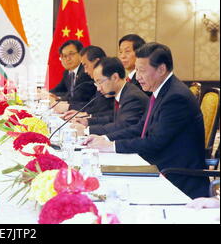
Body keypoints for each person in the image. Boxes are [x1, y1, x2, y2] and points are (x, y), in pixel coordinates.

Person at [84, 43, 209, 199]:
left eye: (142, 71)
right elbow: (140, 127)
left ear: (161, 69)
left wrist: (112, 146)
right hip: (158, 165)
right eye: (136, 70)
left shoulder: (176, 97)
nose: (137, 77)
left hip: (176, 177)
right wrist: (105, 139)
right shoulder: (162, 90)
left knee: (113, 192)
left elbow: (155, 142)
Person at [71, 57, 149, 136]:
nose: (98, 88)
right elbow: (113, 119)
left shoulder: (132, 97)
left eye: (100, 82)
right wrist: (88, 122)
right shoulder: (123, 92)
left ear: (115, 77)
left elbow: (123, 126)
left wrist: (86, 131)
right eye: (96, 83)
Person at [62, 45, 113, 119]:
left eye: (85, 65)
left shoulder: (109, 83)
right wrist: (84, 113)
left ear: (97, 62)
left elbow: (104, 110)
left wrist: (86, 115)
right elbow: (93, 106)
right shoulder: (97, 82)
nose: (85, 71)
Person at [49, 40, 95, 112]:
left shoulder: (85, 72)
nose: (68, 59)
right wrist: (49, 94)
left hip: (86, 110)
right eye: (64, 56)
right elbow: (59, 89)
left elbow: (77, 97)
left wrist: (58, 98)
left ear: (81, 54)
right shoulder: (68, 72)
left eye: (71, 54)